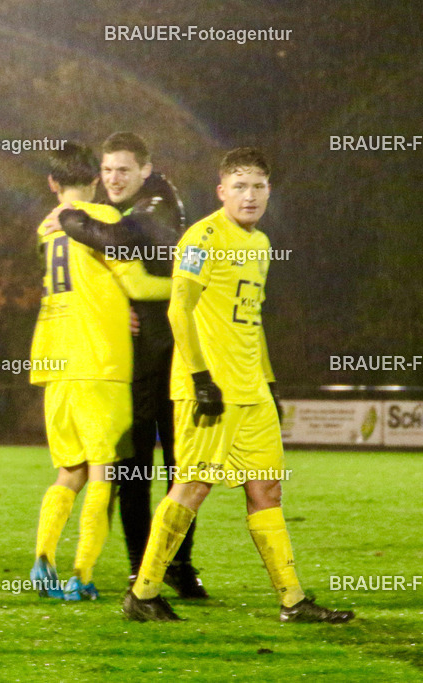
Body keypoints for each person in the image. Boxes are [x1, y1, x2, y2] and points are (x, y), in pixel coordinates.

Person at [122, 147, 354, 624]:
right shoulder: (202, 236)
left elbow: (252, 321)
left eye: (259, 186)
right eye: (240, 186)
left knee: (267, 490)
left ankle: (293, 600)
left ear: (269, 191)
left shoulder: (262, 244)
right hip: (209, 389)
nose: (250, 196)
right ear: (222, 192)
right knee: (193, 486)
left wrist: (269, 381)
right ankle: (142, 594)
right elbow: (178, 309)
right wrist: (202, 377)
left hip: (251, 390)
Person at [55, 132, 206, 598]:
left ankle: (171, 564)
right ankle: (148, 568)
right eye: (107, 170)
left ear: (144, 170)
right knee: (139, 467)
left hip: (167, 353)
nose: (113, 178)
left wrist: (67, 216)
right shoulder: (143, 202)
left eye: (123, 169)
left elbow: (116, 240)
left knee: (173, 467)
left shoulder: (154, 204)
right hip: (143, 352)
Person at [29, 143, 171, 601]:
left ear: (53, 183)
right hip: (99, 361)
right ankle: (82, 576)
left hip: (54, 360)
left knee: (67, 471)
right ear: (96, 179)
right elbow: (137, 284)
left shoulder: (46, 228)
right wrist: (193, 282)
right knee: (102, 472)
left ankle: (42, 560)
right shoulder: (105, 221)